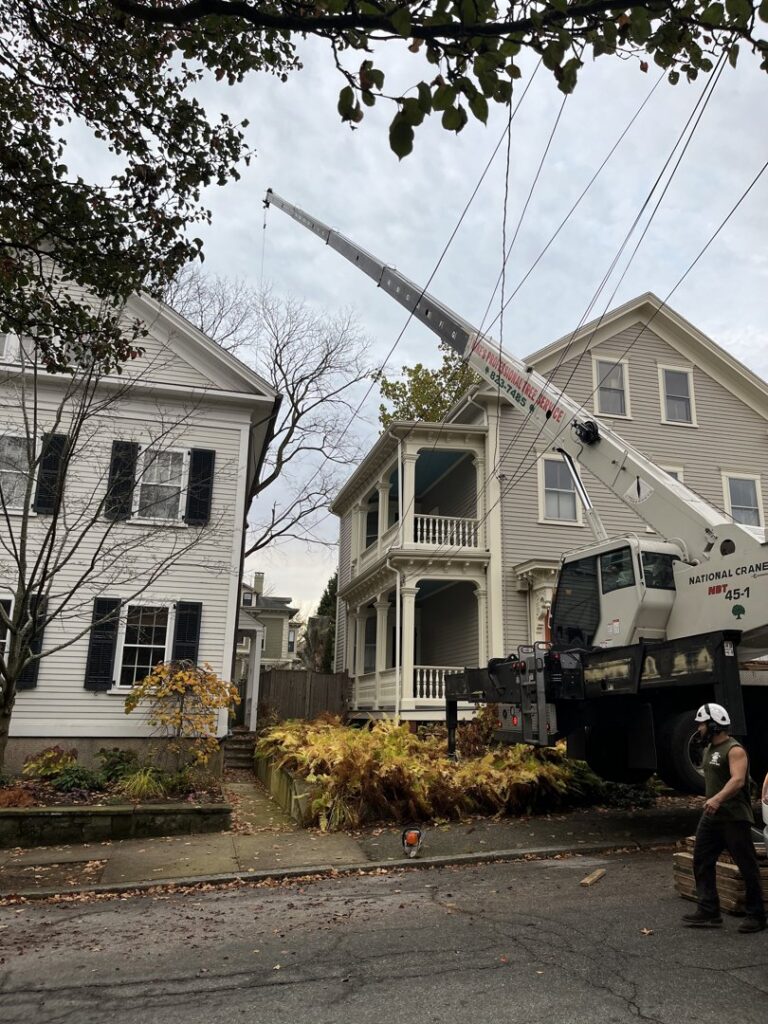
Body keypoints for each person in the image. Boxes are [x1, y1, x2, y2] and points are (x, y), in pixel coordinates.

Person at [682, 703, 766, 933]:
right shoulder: (709, 749)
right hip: (712, 816)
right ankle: (708, 910)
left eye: (701, 724)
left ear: (713, 725)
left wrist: (717, 799)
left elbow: (738, 780)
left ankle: (757, 916)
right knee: (701, 859)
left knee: (747, 866)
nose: (699, 729)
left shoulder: (734, 750)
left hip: (734, 817)